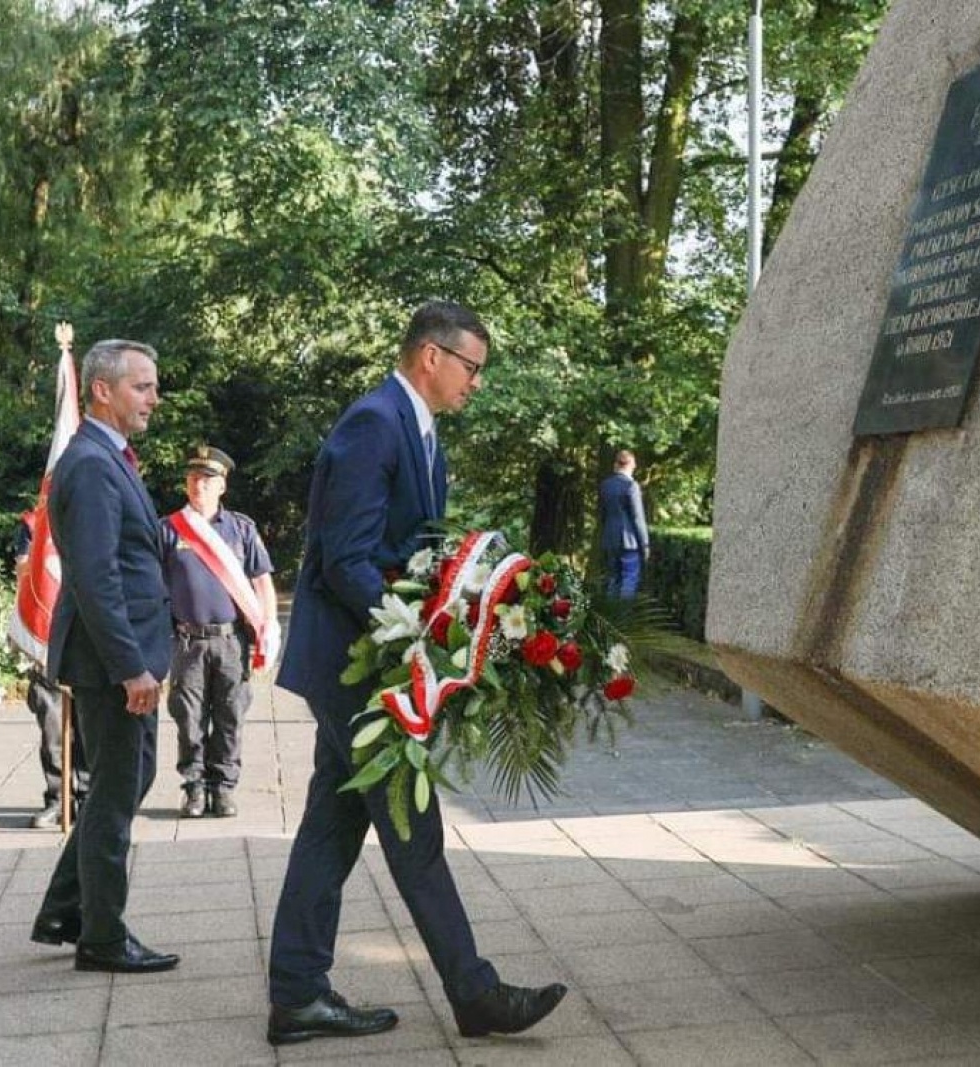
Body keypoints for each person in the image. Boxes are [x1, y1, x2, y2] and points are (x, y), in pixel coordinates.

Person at [268, 301, 567, 1046]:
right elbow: (347, 560)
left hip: (364, 662)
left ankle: (298, 991)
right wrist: (419, 639)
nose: (476, 383)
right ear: (430, 356)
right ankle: (473, 991)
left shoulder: (420, 431)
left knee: (331, 829)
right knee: (412, 824)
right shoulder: (375, 423)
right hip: (354, 667)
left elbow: (411, 550)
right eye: (472, 368)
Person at [28, 339, 180, 975]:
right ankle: (103, 938)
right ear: (101, 391)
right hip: (112, 665)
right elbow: (94, 578)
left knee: (128, 782)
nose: (153, 398)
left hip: (123, 658)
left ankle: (67, 910)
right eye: (141, 386)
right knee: (116, 795)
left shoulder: (106, 457)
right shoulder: (91, 463)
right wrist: (130, 669)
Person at [161, 445, 278, 819]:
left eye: (207, 479)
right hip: (186, 641)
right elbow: (154, 588)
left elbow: (262, 582)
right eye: (194, 478)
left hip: (231, 641)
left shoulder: (241, 529)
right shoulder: (167, 530)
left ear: (222, 486)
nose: (199, 485)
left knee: (230, 716)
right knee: (188, 718)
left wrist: (268, 629)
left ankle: (223, 788)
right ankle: (194, 788)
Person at [12, 518, 88, 829]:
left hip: (88, 635)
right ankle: (58, 799)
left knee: (90, 728)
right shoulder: (32, 526)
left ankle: (89, 797)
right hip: (47, 638)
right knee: (53, 729)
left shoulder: (98, 516)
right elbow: (24, 576)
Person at [599, 448, 650, 599]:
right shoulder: (631, 486)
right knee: (629, 579)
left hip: (610, 539)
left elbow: (603, 514)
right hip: (629, 541)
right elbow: (637, 518)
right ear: (630, 464)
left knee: (613, 579)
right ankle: (625, 616)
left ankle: (612, 617)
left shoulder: (605, 485)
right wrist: (645, 544)